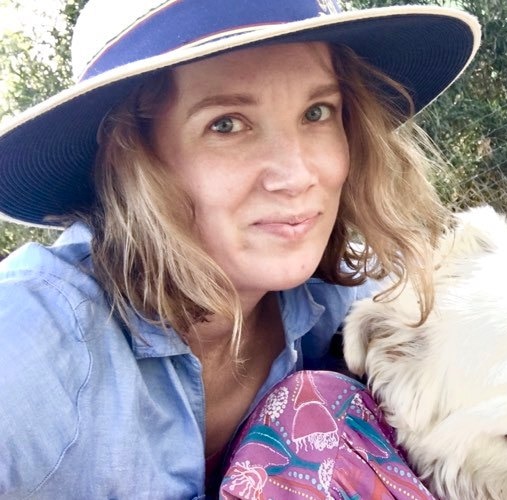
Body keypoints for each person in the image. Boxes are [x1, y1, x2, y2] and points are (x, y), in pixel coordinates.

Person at [0, 0, 479, 498]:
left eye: (317, 113)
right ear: (130, 161)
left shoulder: (353, 302)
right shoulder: (35, 343)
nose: (296, 176)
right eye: (227, 124)